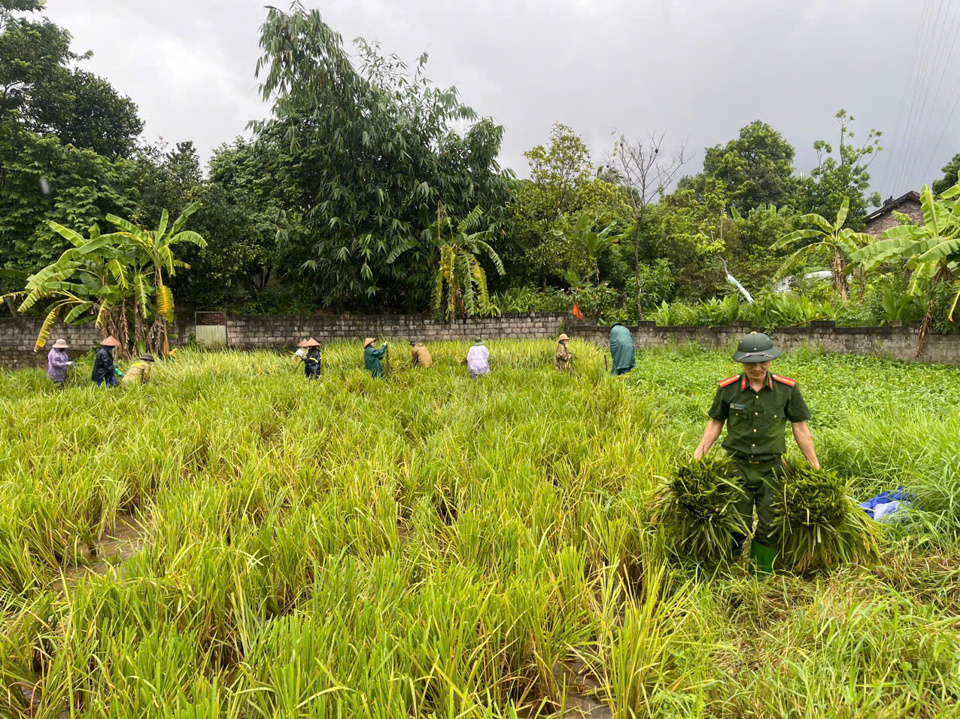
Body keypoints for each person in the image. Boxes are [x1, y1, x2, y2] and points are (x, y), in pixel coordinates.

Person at [693, 332, 820, 574]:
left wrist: (814, 465)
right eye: (750, 362)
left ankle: (761, 574)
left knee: (770, 523)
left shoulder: (787, 390)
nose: (757, 367)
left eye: (762, 361)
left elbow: (800, 427)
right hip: (736, 466)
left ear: (771, 360)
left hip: (771, 468)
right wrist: (698, 454)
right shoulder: (728, 389)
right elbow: (715, 423)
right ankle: (727, 570)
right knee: (734, 522)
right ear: (742, 362)